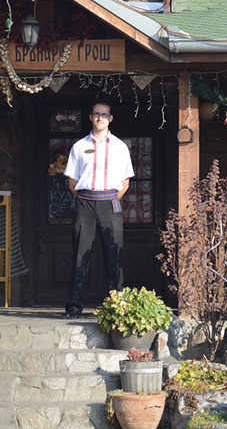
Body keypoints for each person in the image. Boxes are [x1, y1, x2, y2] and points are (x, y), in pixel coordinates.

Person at [63, 99, 134, 318]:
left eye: (104, 115)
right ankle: (74, 307)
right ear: (91, 117)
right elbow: (72, 182)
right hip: (85, 203)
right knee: (80, 256)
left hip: (110, 202)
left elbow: (125, 183)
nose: (100, 118)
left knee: (114, 255)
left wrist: (105, 199)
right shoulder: (79, 146)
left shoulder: (120, 147)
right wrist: (89, 199)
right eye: (96, 114)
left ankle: (116, 308)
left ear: (110, 119)